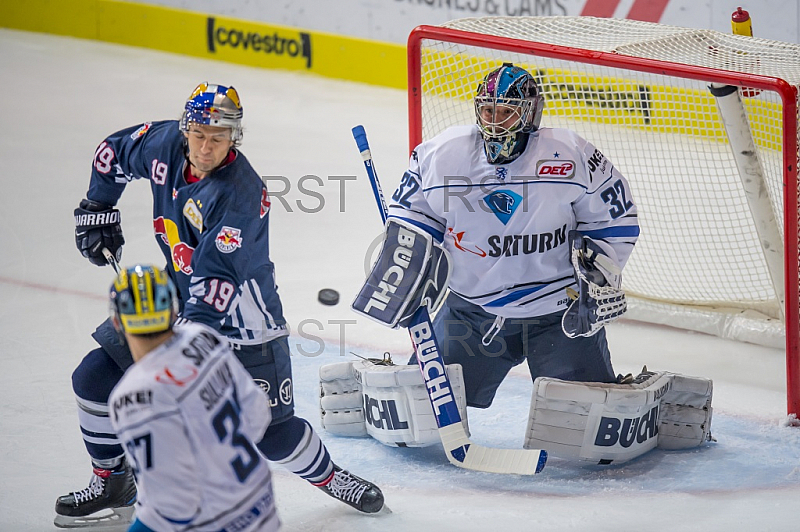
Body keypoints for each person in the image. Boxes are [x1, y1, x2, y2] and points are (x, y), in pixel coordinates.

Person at [55, 83, 384, 528]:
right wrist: (99, 205)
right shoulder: (164, 144)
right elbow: (111, 153)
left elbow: (216, 281)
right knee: (94, 378)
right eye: (199, 135)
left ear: (234, 138)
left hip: (244, 321)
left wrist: (176, 360)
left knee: (270, 434)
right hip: (174, 303)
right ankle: (112, 480)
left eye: (219, 138)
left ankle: (330, 476)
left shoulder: (241, 194)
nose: (206, 147)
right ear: (186, 128)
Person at [391, 63, 639, 408]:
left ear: (530, 113)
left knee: (585, 424)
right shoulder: (442, 154)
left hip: (559, 314)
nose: (494, 121)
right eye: (488, 110)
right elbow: (411, 219)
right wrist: (408, 269)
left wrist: (597, 281)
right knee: (419, 410)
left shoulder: (570, 154)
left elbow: (615, 220)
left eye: (506, 112)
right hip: (471, 313)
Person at [107, 264, 280, 532]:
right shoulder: (202, 337)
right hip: (259, 501)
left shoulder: (133, 395)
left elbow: (172, 505)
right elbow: (257, 413)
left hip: (213, 522)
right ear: (174, 310)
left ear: (116, 321)